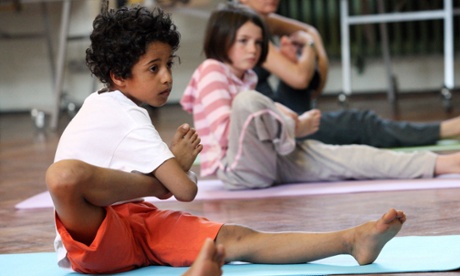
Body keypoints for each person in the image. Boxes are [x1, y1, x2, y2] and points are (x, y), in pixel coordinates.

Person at [46, 2, 407, 274]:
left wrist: (170, 175)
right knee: (62, 177)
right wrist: (173, 170)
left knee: (235, 238)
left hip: (135, 221)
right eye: (153, 69)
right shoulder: (122, 113)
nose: (167, 77)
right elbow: (184, 191)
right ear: (119, 76)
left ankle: (351, 240)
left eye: (169, 64)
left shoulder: (124, 108)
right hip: (97, 239)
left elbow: (176, 188)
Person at [181, 3, 460, 191]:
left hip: (272, 159)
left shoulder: (248, 77)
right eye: (243, 41)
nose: (253, 49)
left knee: (350, 157)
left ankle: (443, 163)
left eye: (257, 42)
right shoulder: (212, 70)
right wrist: (292, 124)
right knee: (248, 103)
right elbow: (228, 134)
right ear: (222, 38)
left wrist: (283, 117)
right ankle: (292, 124)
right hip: (237, 171)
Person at [238, 0, 460, 148]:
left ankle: (314, 129)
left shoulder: (260, 20)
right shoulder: (242, 26)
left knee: (301, 64)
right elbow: (300, 75)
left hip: (275, 108)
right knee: (359, 123)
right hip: (264, 124)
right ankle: (445, 129)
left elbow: (310, 36)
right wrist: (309, 48)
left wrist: (306, 49)